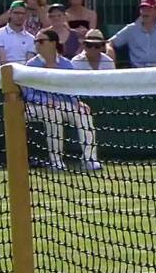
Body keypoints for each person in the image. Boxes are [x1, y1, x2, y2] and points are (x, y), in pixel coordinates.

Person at [25, 29, 102, 171]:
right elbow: (27, 93)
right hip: (34, 108)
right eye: (36, 42)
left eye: (41, 41)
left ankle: (89, 159)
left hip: (62, 105)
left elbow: (71, 89)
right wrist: (44, 101)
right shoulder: (31, 65)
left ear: (53, 43)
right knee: (52, 114)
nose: (37, 45)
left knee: (83, 113)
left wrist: (77, 102)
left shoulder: (66, 64)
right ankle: (56, 162)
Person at [107, 0, 156, 67]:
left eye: (149, 9)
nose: (145, 12)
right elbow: (109, 42)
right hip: (138, 71)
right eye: (143, 9)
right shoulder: (131, 29)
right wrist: (109, 51)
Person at [0, 0, 35, 64]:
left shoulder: (31, 38)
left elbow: (29, 62)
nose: (20, 16)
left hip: (24, 72)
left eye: (23, 13)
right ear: (10, 14)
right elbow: (3, 60)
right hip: (5, 71)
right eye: (16, 13)